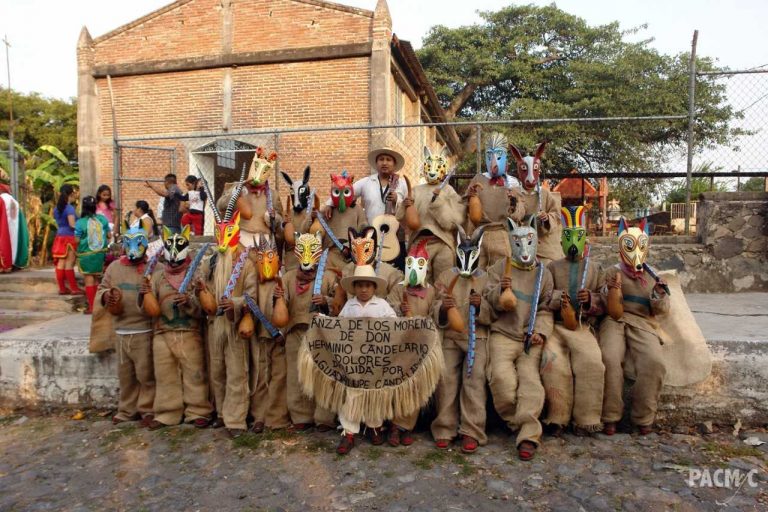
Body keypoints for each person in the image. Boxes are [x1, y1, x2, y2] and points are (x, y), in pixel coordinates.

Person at [484, 216, 553, 461]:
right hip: (502, 334)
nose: (524, 248)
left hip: (529, 337)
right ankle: (518, 423)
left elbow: (545, 308)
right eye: (518, 242)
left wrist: (540, 332)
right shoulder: (497, 269)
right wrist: (499, 292)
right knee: (501, 379)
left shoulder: (543, 274)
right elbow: (487, 302)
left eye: (529, 242)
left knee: (531, 383)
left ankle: (528, 436)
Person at [599, 218, 669, 436]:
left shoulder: (653, 274)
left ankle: (643, 417)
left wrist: (658, 294)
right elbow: (604, 301)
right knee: (609, 358)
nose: (635, 251)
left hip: (642, 322)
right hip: (615, 320)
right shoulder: (612, 271)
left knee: (654, 362)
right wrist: (611, 291)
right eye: (630, 246)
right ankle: (610, 416)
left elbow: (662, 310)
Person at [541, 206, 606, 437]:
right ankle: (557, 418)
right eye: (568, 236)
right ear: (561, 241)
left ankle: (586, 419)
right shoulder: (552, 268)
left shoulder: (595, 268)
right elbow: (545, 296)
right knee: (554, 364)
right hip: (556, 327)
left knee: (592, 363)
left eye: (578, 236)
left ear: (584, 240)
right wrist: (560, 299)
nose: (573, 241)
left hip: (581, 327)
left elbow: (603, 298)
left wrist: (591, 299)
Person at [141, 226, 213, 430]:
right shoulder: (157, 276)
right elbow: (150, 308)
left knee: (195, 374)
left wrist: (190, 301)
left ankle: (198, 410)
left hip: (190, 332)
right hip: (162, 332)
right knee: (165, 375)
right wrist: (145, 292)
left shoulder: (196, 275)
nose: (174, 262)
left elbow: (205, 309)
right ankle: (167, 413)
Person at [197, 192, 257, 437]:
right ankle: (221, 413)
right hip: (215, 325)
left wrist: (236, 303)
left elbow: (252, 294)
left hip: (233, 324)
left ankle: (236, 420)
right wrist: (200, 293)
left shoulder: (246, 261)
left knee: (236, 372)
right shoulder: (209, 261)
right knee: (217, 370)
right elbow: (202, 291)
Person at [431, 225, 491, 454]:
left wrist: (481, 306)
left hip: (478, 337)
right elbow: (435, 305)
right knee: (445, 378)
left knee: (474, 379)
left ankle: (471, 430)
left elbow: (493, 310)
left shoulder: (486, 277)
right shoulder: (446, 276)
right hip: (450, 336)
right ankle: (444, 428)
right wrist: (443, 309)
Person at [275, 232, 336, 432]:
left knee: (322, 375)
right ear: (296, 252)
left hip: (320, 335)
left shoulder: (327, 277)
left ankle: (324, 417)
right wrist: (279, 299)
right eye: (303, 249)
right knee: (296, 375)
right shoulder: (288, 277)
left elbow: (338, 304)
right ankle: (300, 415)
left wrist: (326, 301)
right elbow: (281, 309)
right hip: (295, 332)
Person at [96, 223, 156, 427]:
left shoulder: (153, 267)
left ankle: (148, 409)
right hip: (122, 331)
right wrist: (107, 296)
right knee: (126, 376)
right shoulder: (114, 268)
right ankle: (127, 410)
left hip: (144, 331)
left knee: (146, 374)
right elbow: (102, 288)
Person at [336, 264, 397, 455]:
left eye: (368, 286)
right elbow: (339, 326)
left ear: (374, 288)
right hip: (353, 359)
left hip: (375, 360)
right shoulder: (349, 306)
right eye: (360, 285)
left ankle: (374, 426)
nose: (364, 289)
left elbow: (394, 325)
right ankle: (349, 432)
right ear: (354, 287)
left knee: (375, 393)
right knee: (352, 394)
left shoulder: (382, 305)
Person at [385, 240, 436, 447]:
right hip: (400, 344)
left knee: (416, 387)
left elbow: (433, 314)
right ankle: (394, 426)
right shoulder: (398, 289)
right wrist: (400, 309)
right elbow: (388, 309)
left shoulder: (431, 292)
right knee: (399, 385)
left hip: (421, 344)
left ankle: (407, 427)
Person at [397, 146, 465, 282]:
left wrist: (439, 202)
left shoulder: (449, 190)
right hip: (419, 241)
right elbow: (403, 219)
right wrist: (405, 205)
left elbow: (454, 221)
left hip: (443, 242)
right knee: (418, 281)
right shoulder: (416, 190)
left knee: (444, 280)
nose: (433, 170)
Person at [246, 235, 291, 433]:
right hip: (261, 336)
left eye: (270, 259)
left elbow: (289, 309)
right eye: (262, 259)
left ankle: (277, 417)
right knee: (260, 377)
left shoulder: (284, 282)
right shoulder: (255, 283)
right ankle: (259, 416)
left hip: (280, 338)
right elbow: (248, 301)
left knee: (279, 377)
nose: (266, 263)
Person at [464, 133, 524, 268]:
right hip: (480, 234)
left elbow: (519, 214)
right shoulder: (478, 179)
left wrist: (514, 201)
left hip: (503, 233)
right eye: (489, 155)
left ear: (505, 158)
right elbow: (467, 209)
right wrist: (470, 197)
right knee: (478, 272)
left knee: (502, 270)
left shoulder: (512, 182)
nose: (494, 162)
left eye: (498, 155)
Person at [216, 147, 283, 248]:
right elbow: (220, 205)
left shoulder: (273, 195)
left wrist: (273, 217)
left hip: (264, 241)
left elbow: (280, 220)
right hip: (240, 239)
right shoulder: (236, 187)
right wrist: (235, 192)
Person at [509, 142, 562, 265]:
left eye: (534, 170)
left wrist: (547, 218)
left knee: (549, 267)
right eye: (524, 170)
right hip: (521, 245)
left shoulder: (545, 194)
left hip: (543, 247)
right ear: (519, 171)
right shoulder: (513, 193)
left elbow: (556, 214)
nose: (530, 177)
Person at [304, 172, 366, 274]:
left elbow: (363, 232)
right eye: (337, 192)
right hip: (329, 256)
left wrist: (350, 247)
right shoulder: (327, 210)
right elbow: (307, 231)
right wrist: (312, 217)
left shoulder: (357, 210)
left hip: (350, 257)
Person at [75, 196, 110, 314]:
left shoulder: (80, 222)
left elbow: (76, 240)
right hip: (100, 254)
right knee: (96, 280)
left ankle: (92, 307)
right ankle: (99, 306)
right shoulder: (103, 219)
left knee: (89, 280)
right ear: (95, 206)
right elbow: (109, 235)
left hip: (86, 255)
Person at [52, 184, 83, 295]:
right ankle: (74, 288)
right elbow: (72, 224)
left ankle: (62, 288)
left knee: (61, 263)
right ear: (71, 194)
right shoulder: (69, 208)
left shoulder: (56, 209)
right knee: (69, 263)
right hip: (69, 237)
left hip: (59, 236)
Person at [0, 183, 29, 272]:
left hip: (4, 229)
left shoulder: (1, 200)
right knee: (14, 241)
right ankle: (14, 264)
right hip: (15, 231)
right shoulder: (14, 201)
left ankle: (4, 266)